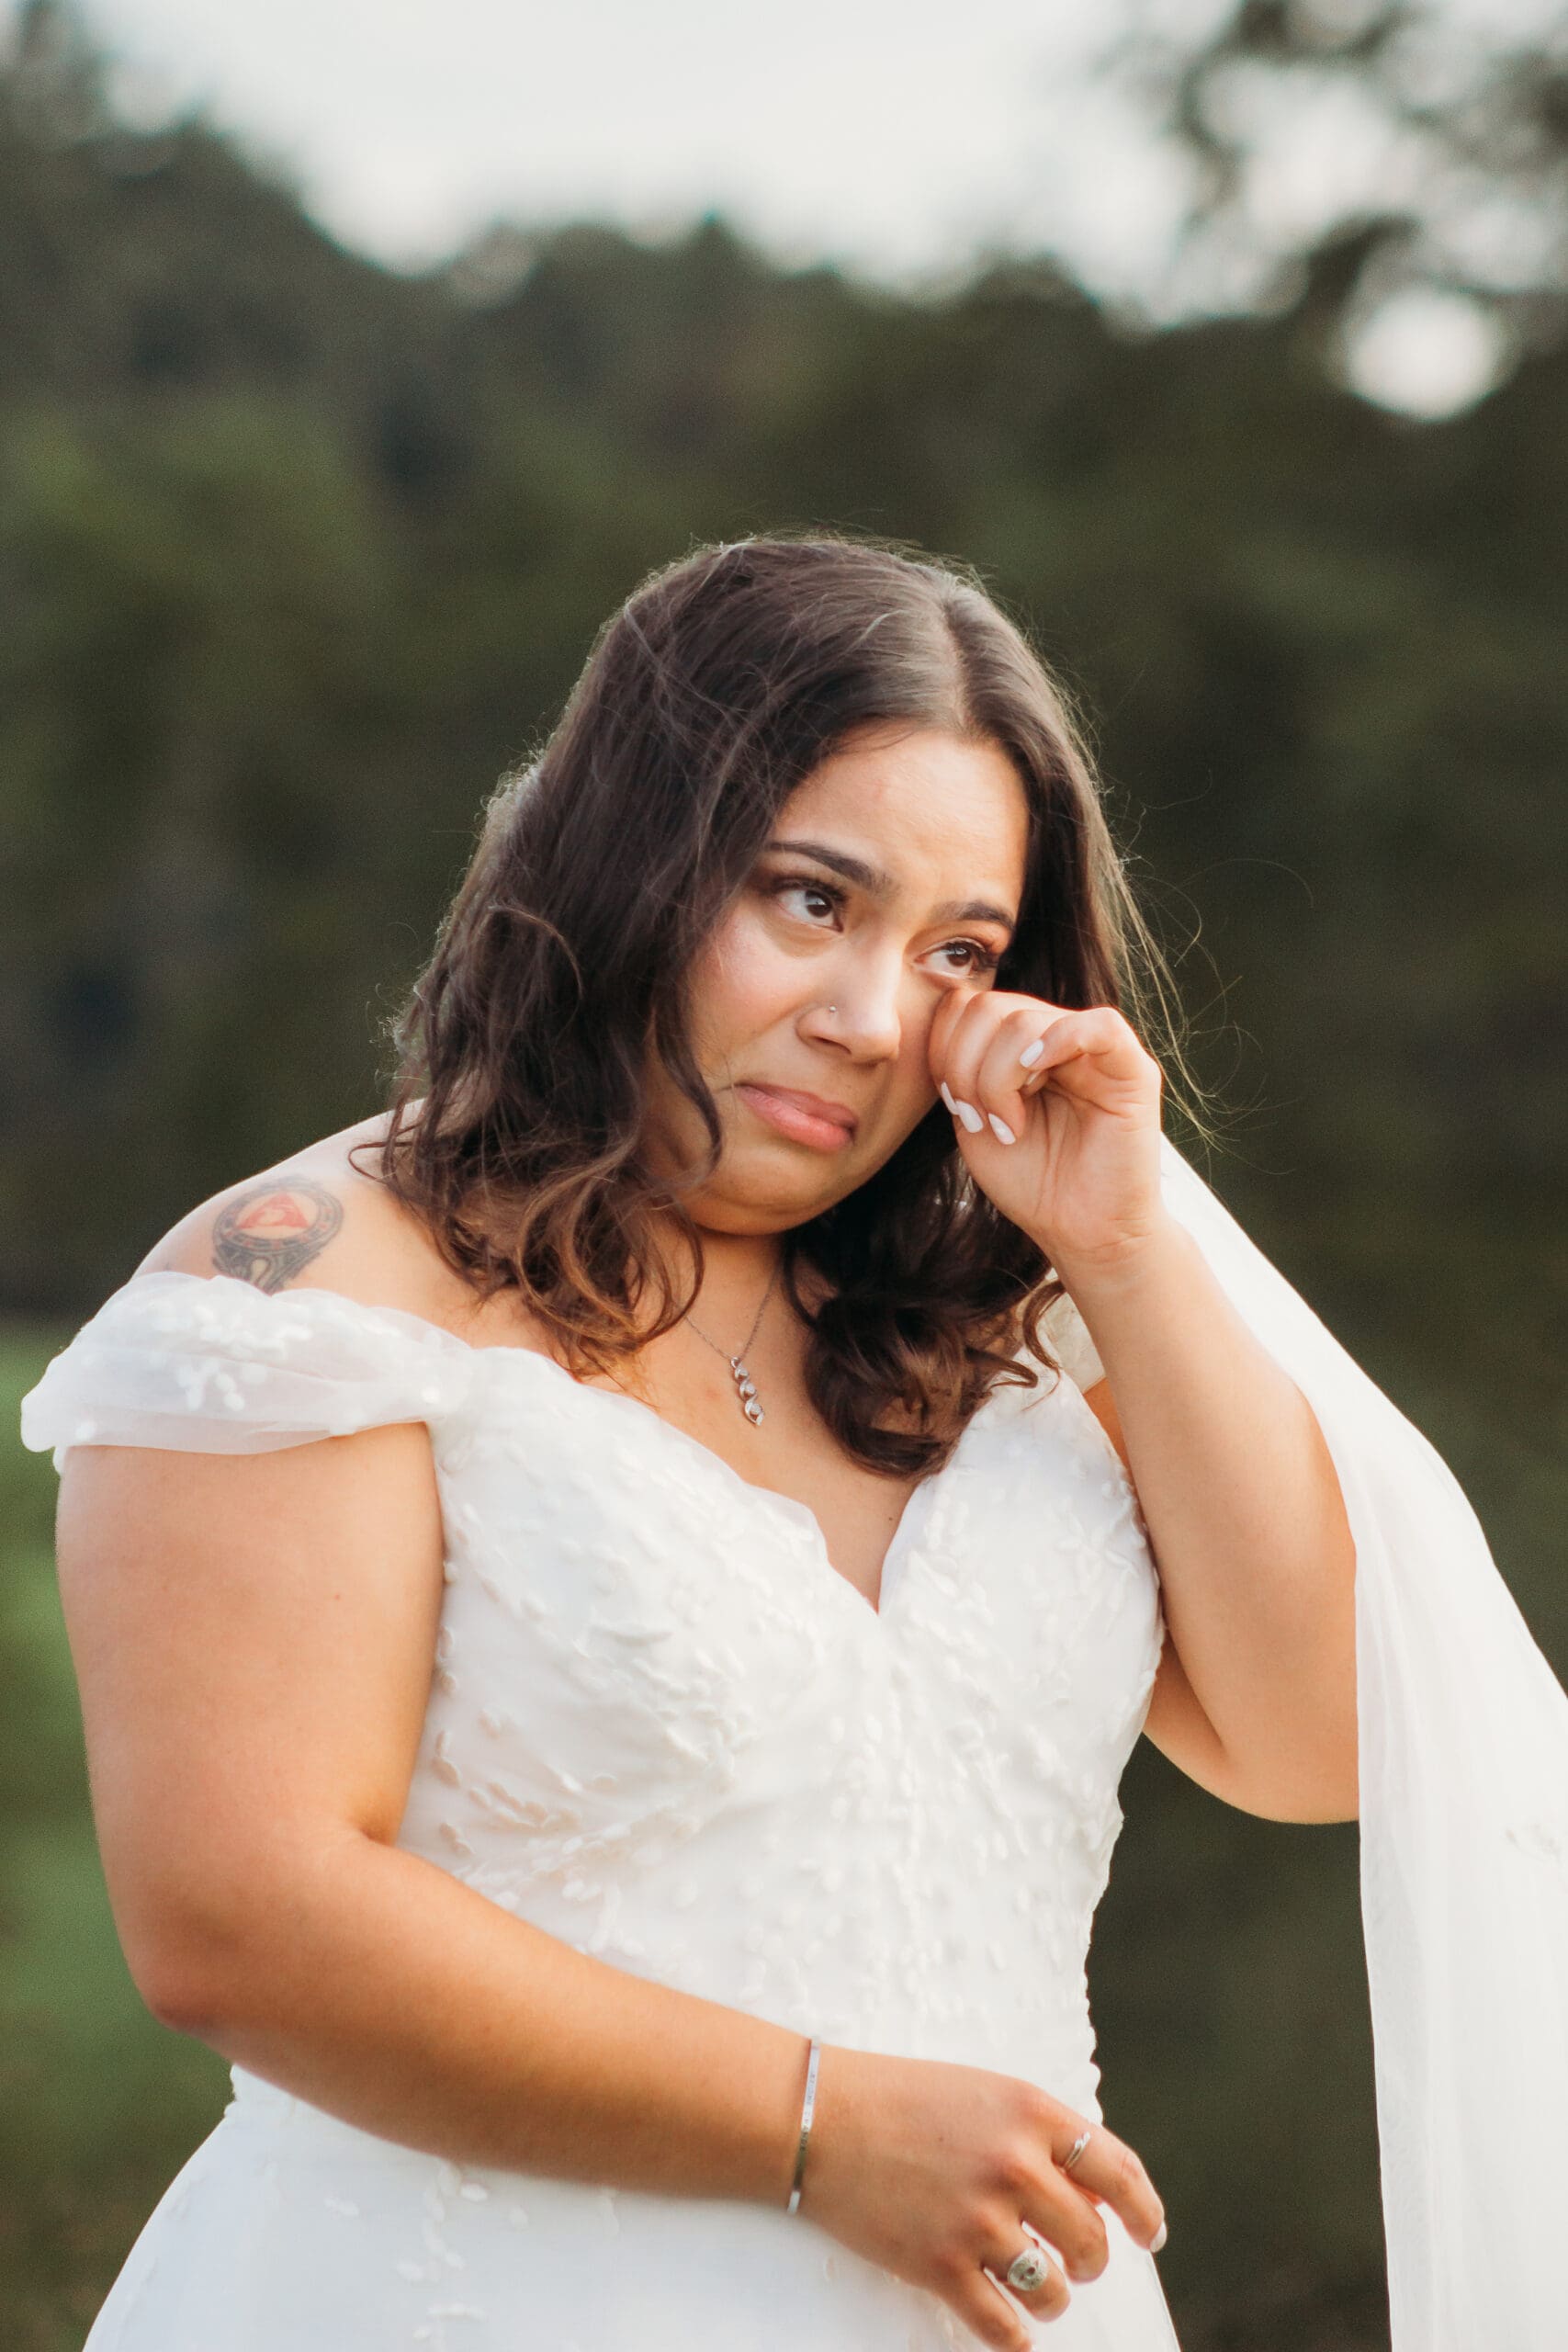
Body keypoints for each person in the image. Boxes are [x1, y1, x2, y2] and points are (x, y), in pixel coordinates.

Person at [18, 534, 1566, 2352]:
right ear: (631, 858)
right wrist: (818, 2127)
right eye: (809, 900)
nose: (864, 1017)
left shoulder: (1003, 1321)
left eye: (954, 950)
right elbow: (237, 1912)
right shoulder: (313, 1288)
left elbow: (1321, 1737)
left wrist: (1123, 1252)